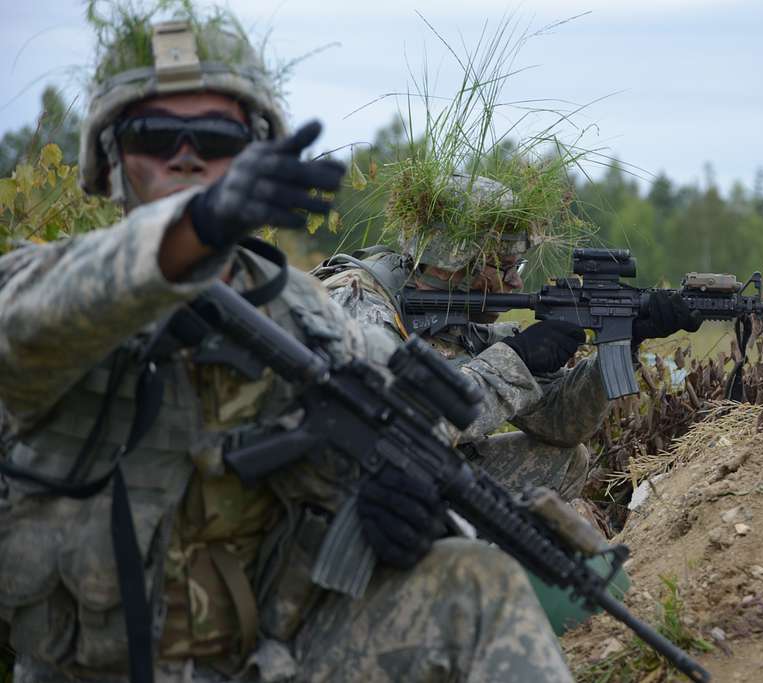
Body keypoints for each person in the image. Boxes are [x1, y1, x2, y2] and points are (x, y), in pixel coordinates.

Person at [0, 12, 572, 683]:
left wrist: (395, 511)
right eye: (155, 134)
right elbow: (28, 320)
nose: (186, 155)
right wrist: (195, 226)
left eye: (215, 137)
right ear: (111, 160)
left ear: (251, 153)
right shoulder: (44, 295)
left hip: (271, 661)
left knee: (476, 582)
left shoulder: (302, 312)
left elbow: (416, 424)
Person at [314, 172, 703, 502]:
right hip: (350, 489)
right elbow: (398, 426)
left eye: (516, 265)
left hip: (412, 476)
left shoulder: (450, 316)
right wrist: (514, 360)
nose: (515, 281)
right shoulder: (360, 302)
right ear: (453, 264)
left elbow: (561, 424)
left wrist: (620, 341)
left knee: (566, 461)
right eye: (500, 266)